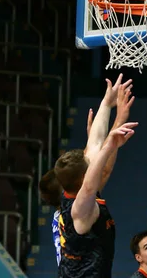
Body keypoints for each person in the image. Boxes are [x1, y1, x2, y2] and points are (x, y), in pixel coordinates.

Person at [38, 74, 135, 266]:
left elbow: (94, 148)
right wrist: (115, 132)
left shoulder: (69, 199)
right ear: (83, 180)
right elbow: (102, 169)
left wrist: (107, 103)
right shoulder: (80, 209)